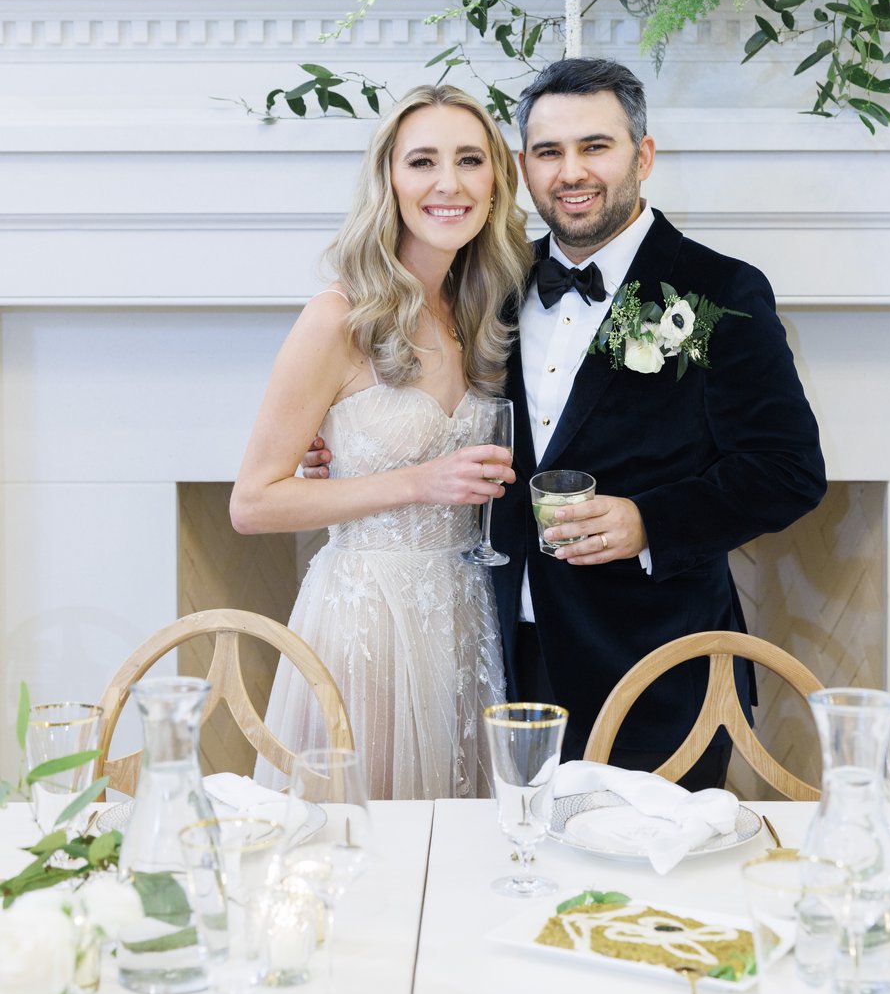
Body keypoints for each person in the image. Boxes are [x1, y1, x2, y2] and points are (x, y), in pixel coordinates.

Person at [306, 59, 827, 789]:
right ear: (523, 166)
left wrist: (649, 520)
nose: (571, 171)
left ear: (642, 156)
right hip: (494, 660)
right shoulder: (491, 284)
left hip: (657, 671)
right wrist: (341, 449)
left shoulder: (719, 290)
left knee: (648, 896)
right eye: (549, 152)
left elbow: (789, 469)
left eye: (596, 146)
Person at [231, 84, 533, 800]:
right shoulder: (338, 317)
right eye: (422, 161)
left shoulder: (485, 310)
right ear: (389, 180)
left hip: (467, 614)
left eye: (469, 160)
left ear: (497, 179)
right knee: (364, 851)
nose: (448, 184)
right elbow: (251, 502)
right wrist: (417, 480)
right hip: (367, 619)